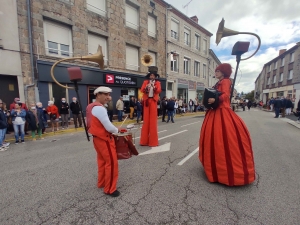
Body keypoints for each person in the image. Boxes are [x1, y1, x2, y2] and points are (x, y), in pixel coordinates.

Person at [199, 63, 255, 186]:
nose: (216, 72)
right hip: (214, 111)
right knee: (213, 139)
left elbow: (225, 95)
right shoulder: (219, 82)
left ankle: (226, 172)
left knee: (223, 139)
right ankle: (215, 167)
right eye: (216, 71)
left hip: (221, 111)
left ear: (223, 72)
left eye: (218, 71)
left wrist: (215, 100)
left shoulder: (225, 81)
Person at [86, 86, 123, 197]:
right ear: (98, 95)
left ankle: (102, 183)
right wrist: (117, 130)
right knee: (111, 163)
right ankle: (110, 189)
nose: (108, 97)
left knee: (102, 162)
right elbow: (108, 127)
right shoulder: (100, 108)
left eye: (109, 95)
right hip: (105, 139)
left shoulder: (90, 106)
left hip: (96, 138)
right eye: (105, 94)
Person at [140, 66, 161, 147]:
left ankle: (153, 142)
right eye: (151, 75)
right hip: (146, 101)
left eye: (153, 75)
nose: (152, 76)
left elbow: (159, 90)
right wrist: (147, 87)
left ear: (155, 76)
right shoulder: (145, 82)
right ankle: (144, 141)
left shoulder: (157, 83)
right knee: (146, 121)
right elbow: (142, 90)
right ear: (149, 76)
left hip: (153, 101)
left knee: (153, 122)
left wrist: (154, 87)